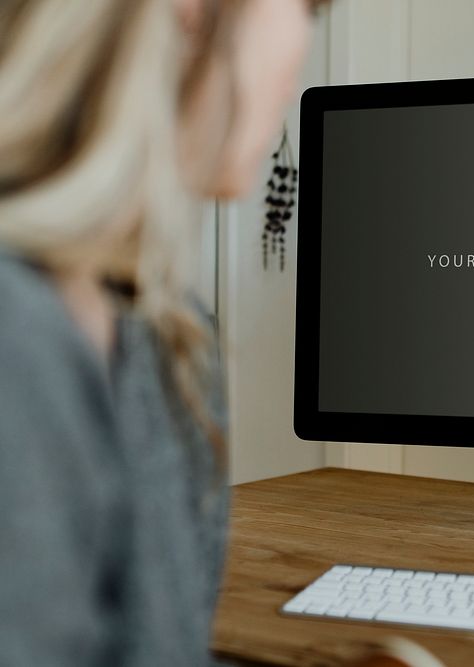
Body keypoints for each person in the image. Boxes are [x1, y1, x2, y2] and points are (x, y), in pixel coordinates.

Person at [0, 0, 325, 664]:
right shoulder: (18, 345)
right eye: (309, 8)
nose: (299, 63)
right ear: (191, 11)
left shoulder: (171, 339)